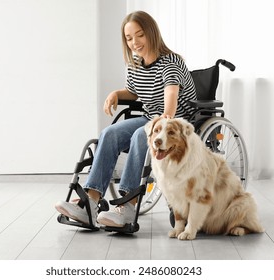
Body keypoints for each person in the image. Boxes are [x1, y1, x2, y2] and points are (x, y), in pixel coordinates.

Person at [55, 10, 196, 228]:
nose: (134, 42)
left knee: (142, 135)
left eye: (139, 35)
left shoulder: (171, 62)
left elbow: (171, 98)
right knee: (109, 134)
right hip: (151, 118)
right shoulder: (135, 64)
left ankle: (128, 206)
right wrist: (116, 94)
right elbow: (133, 91)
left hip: (176, 123)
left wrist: (163, 119)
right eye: (129, 38)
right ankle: (91, 204)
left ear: (151, 33)